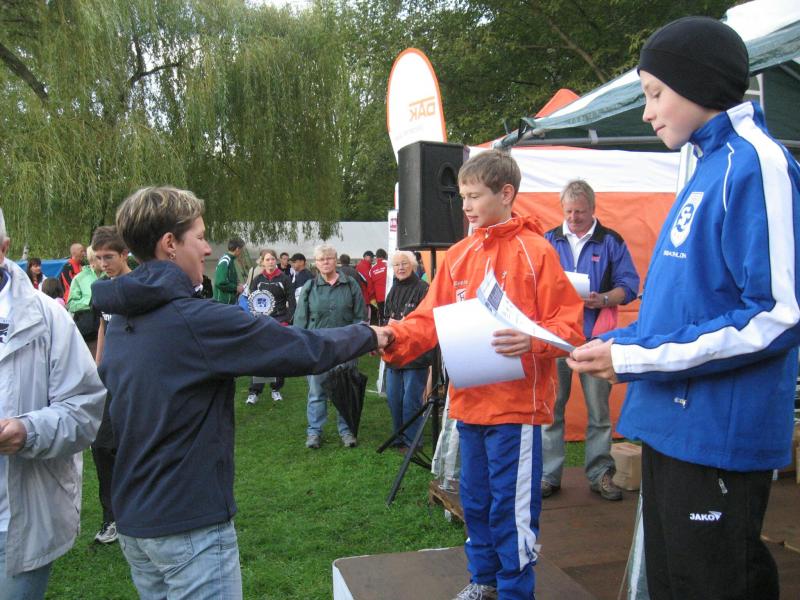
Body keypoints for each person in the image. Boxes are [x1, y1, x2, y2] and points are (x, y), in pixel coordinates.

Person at [567, 17, 800, 600]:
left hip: (717, 435)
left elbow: (776, 315)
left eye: (654, 93)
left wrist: (635, 357)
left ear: (697, 82)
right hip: (672, 428)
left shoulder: (757, 163)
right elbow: (687, 307)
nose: (647, 112)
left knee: (715, 583)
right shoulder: (702, 164)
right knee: (672, 583)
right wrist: (621, 343)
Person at [92, 187, 389, 600]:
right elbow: (301, 347)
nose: (206, 249)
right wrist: (369, 334)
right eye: (200, 237)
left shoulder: (124, 317)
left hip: (136, 520)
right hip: (187, 522)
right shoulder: (195, 321)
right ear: (170, 244)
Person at [381, 150, 584, 600]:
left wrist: (532, 341)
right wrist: (392, 338)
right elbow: (428, 319)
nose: (466, 206)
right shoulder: (458, 255)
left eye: (475, 196)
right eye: (463, 196)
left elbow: (569, 327)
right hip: (469, 405)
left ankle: (514, 590)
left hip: (517, 409)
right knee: (474, 500)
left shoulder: (537, 251)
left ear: (506, 194)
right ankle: (484, 579)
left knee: (511, 508)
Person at [0, 207, 106, 600]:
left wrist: (27, 431)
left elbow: (85, 409)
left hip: (15, 525)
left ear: (4, 249)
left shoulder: (47, 320)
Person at [541, 179, 640, 501]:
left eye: (580, 212)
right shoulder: (548, 240)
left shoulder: (611, 241)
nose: (573, 218)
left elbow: (630, 286)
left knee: (599, 412)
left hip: (596, 339)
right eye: (568, 211)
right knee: (552, 409)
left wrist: (605, 299)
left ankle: (600, 474)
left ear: (593, 209)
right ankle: (547, 475)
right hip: (557, 337)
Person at [295, 243, 368, 450]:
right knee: (317, 392)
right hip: (318, 349)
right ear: (316, 263)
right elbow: (300, 320)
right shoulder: (310, 287)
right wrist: (301, 346)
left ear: (335, 260)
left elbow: (360, 317)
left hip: (345, 349)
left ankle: (346, 431)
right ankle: (314, 432)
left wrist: (357, 344)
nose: (325, 262)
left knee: (345, 390)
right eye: (321, 259)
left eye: (329, 258)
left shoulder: (351, 285)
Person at [89, 225, 132, 545]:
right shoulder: (101, 289)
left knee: (134, 445)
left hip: (136, 380)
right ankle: (111, 516)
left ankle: (138, 510)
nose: (103, 264)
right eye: (99, 258)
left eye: (109, 257)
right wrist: (98, 364)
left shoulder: (139, 287)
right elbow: (103, 325)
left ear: (124, 254)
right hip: (109, 379)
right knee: (102, 445)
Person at [383, 250, 433, 451]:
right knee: (394, 398)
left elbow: (426, 321)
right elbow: (386, 316)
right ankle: (399, 436)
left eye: (404, 263)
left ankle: (412, 441)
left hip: (415, 353)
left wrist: (404, 324)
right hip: (394, 352)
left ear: (412, 265)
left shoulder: (423, 289)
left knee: (411, 400)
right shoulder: (393, 289)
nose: (400, 267)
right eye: (396, 265)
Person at [241, 248, 296, 404]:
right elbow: (251, 301)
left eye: (272, 259)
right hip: (262, 323)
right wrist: (255, 319)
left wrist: (286, 319)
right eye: (267, 259)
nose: (270, 262)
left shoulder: (284, 279)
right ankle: (254, 391)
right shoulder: (257, 279)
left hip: (280, 321)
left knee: (278, 356)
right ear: (262, 262)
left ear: (276, 260)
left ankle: (276, 389)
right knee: (260, 356)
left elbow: (292, 302)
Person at [67, 246, 102, 351]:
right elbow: (71, 304)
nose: (104, 261)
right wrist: (88, 302)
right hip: (89, 332)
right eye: (99, 258)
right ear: (92, 260)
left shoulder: (112, 275)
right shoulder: (80, 278)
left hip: (109, 327)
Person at [213, 237, 245, 304]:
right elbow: (220, 282)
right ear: (237, 249)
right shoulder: (225, 261)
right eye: (242, 249)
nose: (242, 252)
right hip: (223, 302)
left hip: (229, 302)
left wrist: (238, 284)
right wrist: (236, 288)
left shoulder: (230, 260)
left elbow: (229, 278)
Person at [368, 248, 388, 325]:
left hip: (379, 298)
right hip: (391, 296)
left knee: (382, 318)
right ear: (385, 256)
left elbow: (370, 287)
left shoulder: (372, 269)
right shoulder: (389, 265)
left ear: (376, 257)